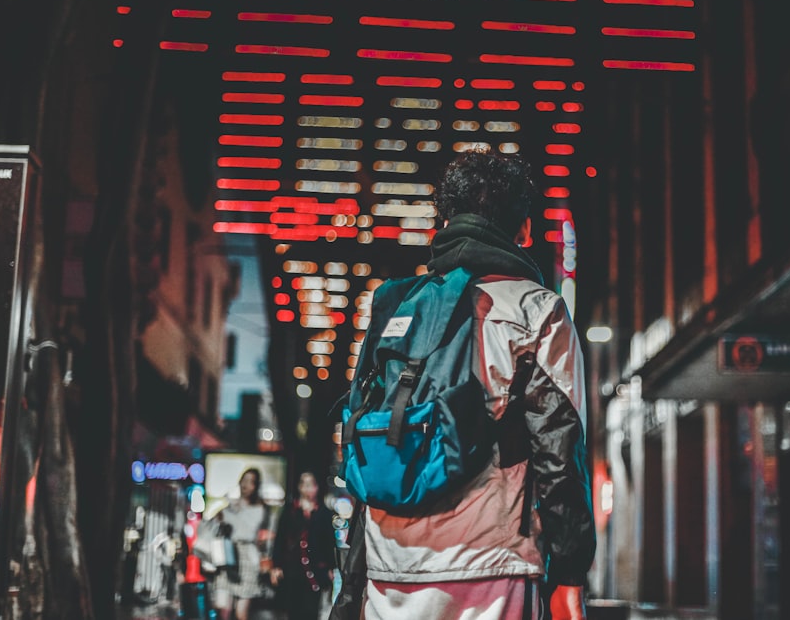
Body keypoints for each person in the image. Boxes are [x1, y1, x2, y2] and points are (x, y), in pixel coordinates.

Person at [331, 149, 596, 620]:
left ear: (446, 221)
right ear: (525, 230)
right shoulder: (536, 309)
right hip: (490, 569)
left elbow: (361, 441)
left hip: (387, 568)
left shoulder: (394, 304)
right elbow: (560, 452)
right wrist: (570, 574)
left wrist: (354, 583)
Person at [270, 471, 337, 620]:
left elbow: (329, 543)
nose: (308, 489)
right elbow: (280, 539)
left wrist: (330, 568)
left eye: (311, 484)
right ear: (299, 487)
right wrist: (276, 565)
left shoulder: (324, 513)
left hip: (316, 569)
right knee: (292, 610)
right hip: (292, 568)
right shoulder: (291, 511)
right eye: (304, 484)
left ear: (317, 487)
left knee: (312, 610)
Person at [210, 467, 272, 620]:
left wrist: (230, 511)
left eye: (251, 482)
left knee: (241, 612)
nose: (246, 485)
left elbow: (248, 531)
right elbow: (214, 524)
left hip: (248, 559)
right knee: (223, 608)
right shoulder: (230, 507)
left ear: (256, 486)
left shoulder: (260, 508)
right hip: (229, 555)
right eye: (244, 480)